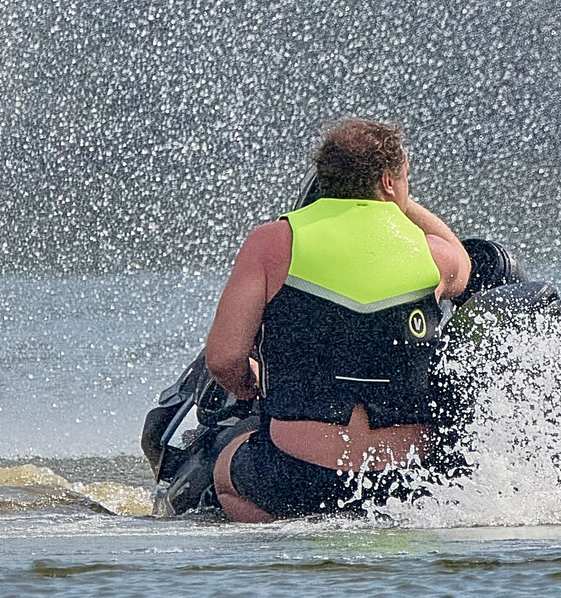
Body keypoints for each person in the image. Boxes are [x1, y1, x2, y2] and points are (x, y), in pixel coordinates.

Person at [203, 118, 474, 522]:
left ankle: (281, 544)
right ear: (387, 181)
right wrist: (401, 199)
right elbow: (464, 262)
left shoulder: (271, 242)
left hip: (300, 477)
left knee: (226, 469)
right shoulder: (433, 253)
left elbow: (223, 360)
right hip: (404, 481)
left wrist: (250, 389)